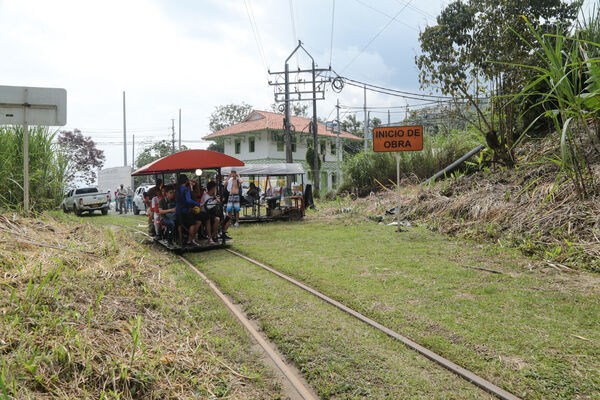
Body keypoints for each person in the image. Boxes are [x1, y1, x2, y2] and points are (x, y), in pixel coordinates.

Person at [176, 174, 203, 246]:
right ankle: (189, 241)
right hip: (185, 210)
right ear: (186, 180)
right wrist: (198, 204)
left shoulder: (177, 189)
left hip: (178, 210)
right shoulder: (186, 189)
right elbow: (188, 200)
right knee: (193, 224)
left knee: (180, 224)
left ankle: (180, 239)